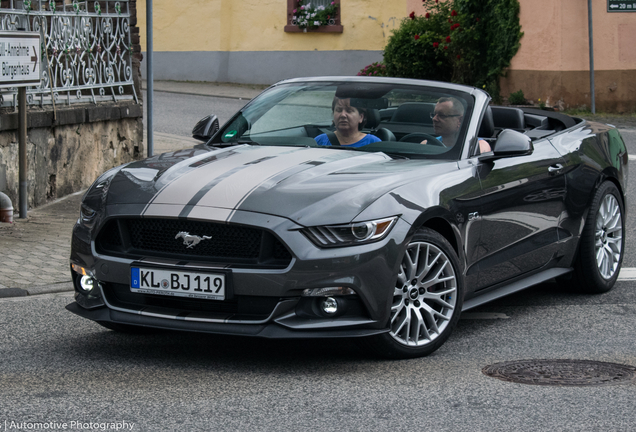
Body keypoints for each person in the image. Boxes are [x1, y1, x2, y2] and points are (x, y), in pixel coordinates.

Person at [424, 97, 491, 154]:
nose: (434, 119)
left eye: (442, 115)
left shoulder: (478, 147)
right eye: (434, 114)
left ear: (459, 120)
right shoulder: (427, 144)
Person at [315, 97, 382, 147]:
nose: (343, 115)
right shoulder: (319, 141)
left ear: (361, 117)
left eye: (349, 110)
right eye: (339, 110)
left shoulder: (373, 143)